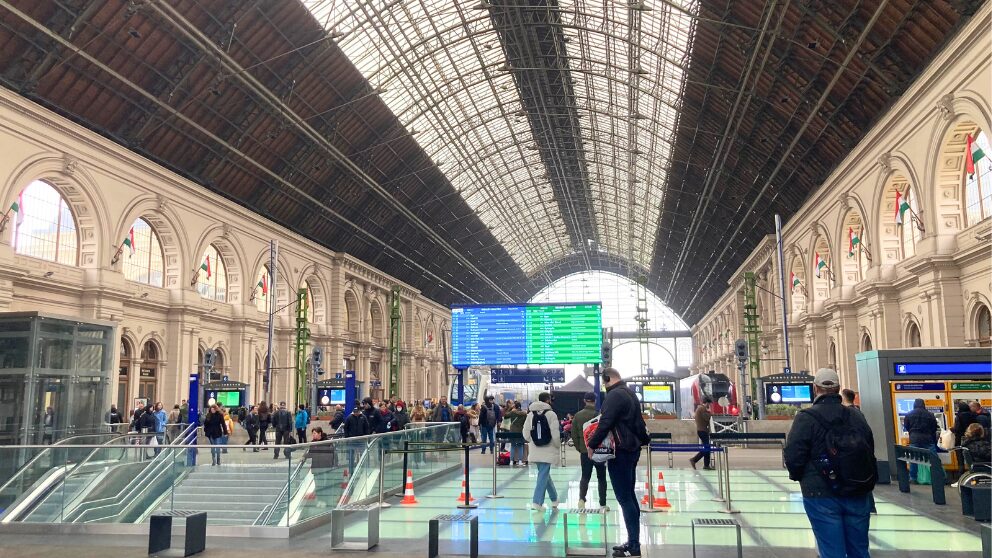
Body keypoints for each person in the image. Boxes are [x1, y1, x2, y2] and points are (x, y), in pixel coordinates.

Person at [784, 368, 876, 558]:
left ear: (815, 389)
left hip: (820, 492)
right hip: (857, 489)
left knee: (831, 551)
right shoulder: (856, 415)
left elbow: (794, 455)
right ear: (838, 389)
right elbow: (869, 447)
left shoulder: (805, 418)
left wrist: (800, 477)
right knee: (859, 550)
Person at [587, 368, 650, 558]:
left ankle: (634, 546)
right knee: (629, 496)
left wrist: (591, 444)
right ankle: (633, 542)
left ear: (607, 379)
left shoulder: (614, 396)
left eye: (604, 382)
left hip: (620, 452)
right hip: (632, 449)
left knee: (624, 498)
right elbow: (638, 424)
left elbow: (605, 422)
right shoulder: (630, 393)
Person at [523, 393, 561, 511]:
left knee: (544, 474)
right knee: (543, 474)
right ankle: (537, 502)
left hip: (535, 449)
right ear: (548, 400)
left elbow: (525, 433)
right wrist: (557, 444)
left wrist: (531, 441)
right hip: (548, 448)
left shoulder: (530, 414)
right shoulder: (551, 414)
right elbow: (555, 432)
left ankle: (554, 498)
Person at [572, 392, 607, 511]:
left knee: (585, 476)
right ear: (595, 401)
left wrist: (580, 448)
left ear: (584, 400)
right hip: (599, 451)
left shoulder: (577, 416)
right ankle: (602, 503)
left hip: (584, 451)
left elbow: (574, 434)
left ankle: (582, 499)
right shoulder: (599, 415)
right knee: (601, 477)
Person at [902, 398, 939, 483]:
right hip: (928, 438)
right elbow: (934, 427)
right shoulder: (930, 414)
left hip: (914, 438)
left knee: (914, 458)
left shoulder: (909, 414)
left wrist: (912, 432)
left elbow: (906, 426)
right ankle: (938, 476)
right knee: (933, 458)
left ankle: (913, 478)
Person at [306, 427, 335, 506]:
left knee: (325, 485)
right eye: (313, 434)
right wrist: (304, 456)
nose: (313, 435)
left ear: (320, 433)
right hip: (316, 467)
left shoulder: (327, 442)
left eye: (315, 433)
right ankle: (320, 500)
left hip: (325, 467)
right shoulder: (313, 443)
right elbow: (311, 453)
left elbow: (331, 454)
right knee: (318, 485)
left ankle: (325, 501)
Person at [689, 397, 714, 470]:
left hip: (701, 430)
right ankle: (694, 460)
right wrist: (709, 412)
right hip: (703, 431)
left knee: (707, 448)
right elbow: (707, 418)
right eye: (709, 404)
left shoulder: (699, 408)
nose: (709, 405)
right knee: (707, 448)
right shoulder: (702, 409)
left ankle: (706, 465)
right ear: (706, 403)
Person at [507, 401, 528, 466]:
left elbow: (505, 416)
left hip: (512, 430)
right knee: (520, 446)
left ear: (515, 406)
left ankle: (511, 461)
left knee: (513, 446)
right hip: (520, 431)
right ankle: (520, 461)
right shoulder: (524, 414)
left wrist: (510, 408)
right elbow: (526, 422)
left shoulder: (512, 412)